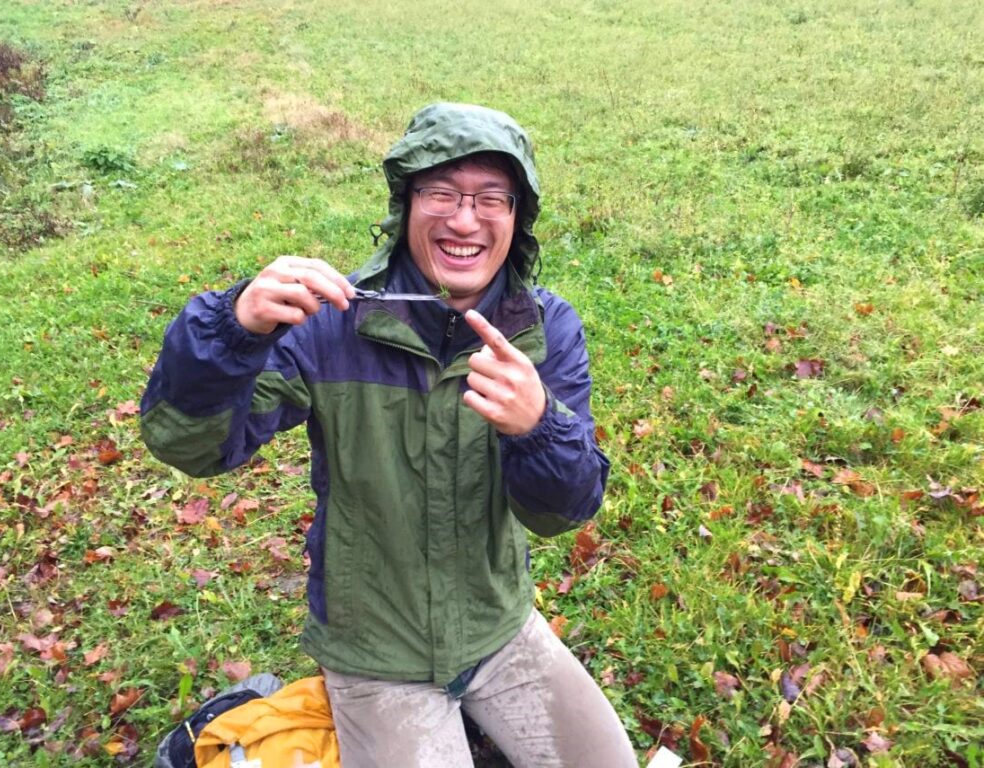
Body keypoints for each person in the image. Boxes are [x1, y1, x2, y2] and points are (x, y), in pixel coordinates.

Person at [141, 102, 637, 767]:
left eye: (492, 199)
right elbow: (192, 447)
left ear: (517, 220)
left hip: (500, 630)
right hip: (375, 653)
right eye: (441, 194)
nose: (465, 221)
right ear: (405, 207)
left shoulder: (544, 331)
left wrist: (539, 427)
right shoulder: (328, 323)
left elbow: (562, 514)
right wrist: (232, 331)